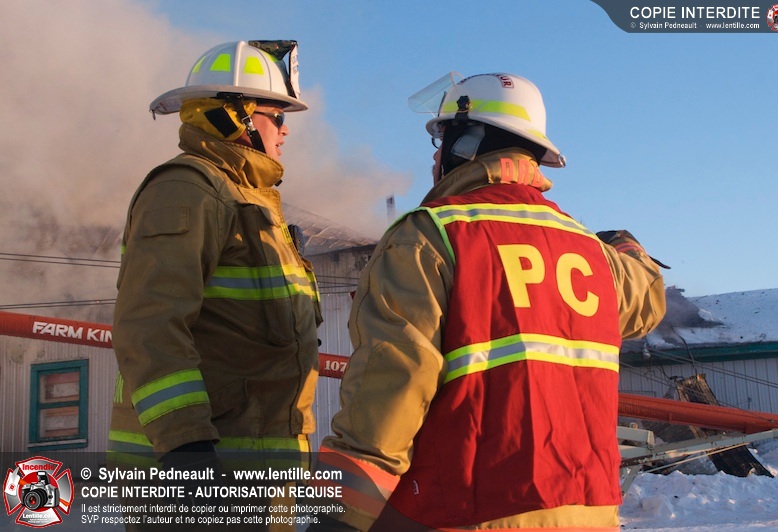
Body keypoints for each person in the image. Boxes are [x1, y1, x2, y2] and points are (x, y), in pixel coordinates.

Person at [310, 73, 667, 531]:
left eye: (442, 139)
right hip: (591, 512)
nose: (436, 156)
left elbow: (390, 390)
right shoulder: (592, 252)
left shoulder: (429, 236)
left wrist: (339, 514)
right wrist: (628, 246)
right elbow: (648, 298)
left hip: (470, 512)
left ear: (469, 142)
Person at [108, 40, 321, 496]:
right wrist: (187, 449)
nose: (285, 130)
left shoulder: (248, 200)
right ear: (234, 116)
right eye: (276, 116)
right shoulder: (188, 190)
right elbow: (150, 325)